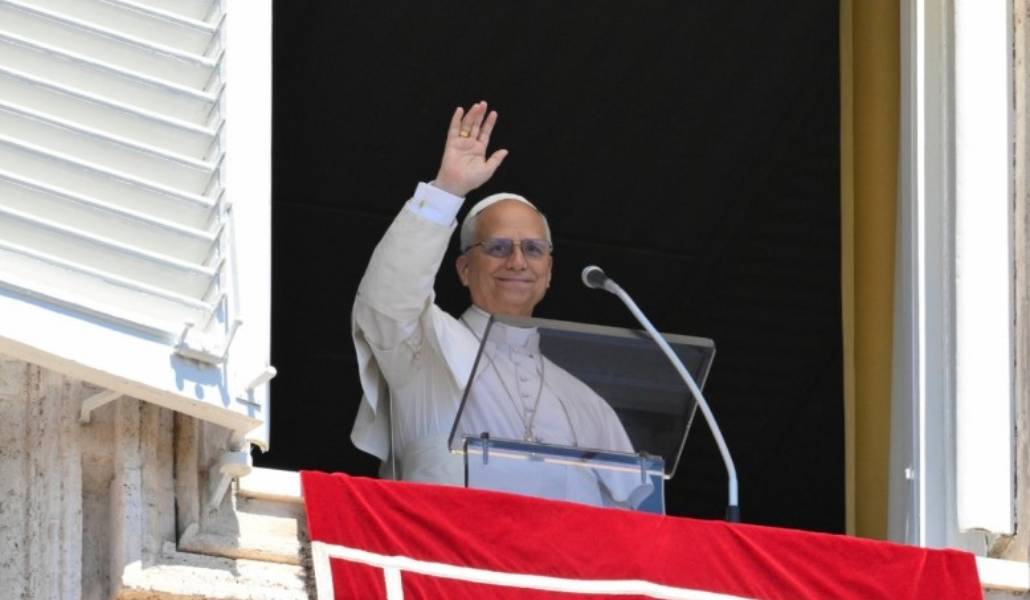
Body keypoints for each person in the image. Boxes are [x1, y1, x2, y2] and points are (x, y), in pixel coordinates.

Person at [350, 101, 649, 508]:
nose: (517, 261)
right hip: (447, 559)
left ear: (549, 271)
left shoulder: (586, 401)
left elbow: (633, 516)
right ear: (463, 268)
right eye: (497, 247)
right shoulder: (423, 346)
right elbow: (388, 296)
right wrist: (447, 189)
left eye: (533, 249)